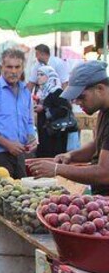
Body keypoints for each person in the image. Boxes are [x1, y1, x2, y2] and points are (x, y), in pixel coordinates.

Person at [30, 61, 109, 194]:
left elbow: (105, 173)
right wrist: (70, 156)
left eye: (81, 97)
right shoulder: (103, 110)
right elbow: (98, 145)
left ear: (100, 89)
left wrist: (57, 169)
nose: (77, 102)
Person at [0, 48, 37, 179]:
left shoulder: (25, 92)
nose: (14, 71)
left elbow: (28, 121)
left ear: (22, 68)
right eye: (9, 67)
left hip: (20, 155)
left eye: (17, 67)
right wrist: (7, 144)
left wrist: (32, 137)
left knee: (22, 194)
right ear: (1, 67)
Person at [34, 65, 74, 158]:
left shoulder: (57, 91)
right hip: (45, 132)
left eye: (42, 75)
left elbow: (64, 109)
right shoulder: (43, 92)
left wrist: (44, 108)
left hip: (56, 135)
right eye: (38, 75)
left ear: (50, 76)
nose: (39, 77)